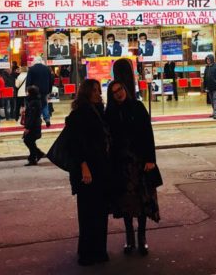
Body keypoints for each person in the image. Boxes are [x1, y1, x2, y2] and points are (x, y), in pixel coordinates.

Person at [106, 80, 160, 256]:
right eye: (114, 92)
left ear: (125, 89)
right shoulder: (111, 112)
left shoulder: (137, 106)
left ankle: (142, 237)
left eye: (120, 89)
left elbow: (147, 133)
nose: (118, 93)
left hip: (139, 162)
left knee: (142, 200)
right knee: (126, 203)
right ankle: (129, 237)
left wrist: (151, 158)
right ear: (112, 96)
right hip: (121, 165)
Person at [65, 79, 111, 266]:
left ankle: (99, 250)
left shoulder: (98, 111)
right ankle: (87, 252)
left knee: (100, 211)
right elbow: (74, 144)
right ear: (86, 92)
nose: (97, 94)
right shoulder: (79, 115)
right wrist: (83, 165)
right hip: (87, 169)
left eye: (99, 90)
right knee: (87, 212)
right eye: (93, 91)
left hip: (100, 167)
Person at [26, 56, 54, 127]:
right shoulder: (47, 69)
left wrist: (27, 90)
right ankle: (47, 118)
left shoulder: (31, 69)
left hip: (34, 90)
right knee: (44, 103)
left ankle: (38, 119)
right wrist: (49, 90)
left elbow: (28, 81)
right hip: (45, 90)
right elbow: (51, 80)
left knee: (36, 105)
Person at [23, 85, 45, 166]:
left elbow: (32, 116)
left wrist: (27, 127)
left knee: (28, 140)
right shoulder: (33, 101)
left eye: (28, 92)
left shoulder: (34, 102)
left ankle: (34, 157)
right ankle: (36, 155)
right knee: (29, 141)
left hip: (33, 126)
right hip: (34, 124)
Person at [203, 54, 216, 119]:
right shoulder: (206, 67)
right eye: (207, 59)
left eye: (209, 59)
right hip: (209, 87)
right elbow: (205, 77)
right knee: (212, 101)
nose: (208, 60)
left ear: (212, 59)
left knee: (215, 100)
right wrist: (205, 86)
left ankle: (215, 113)